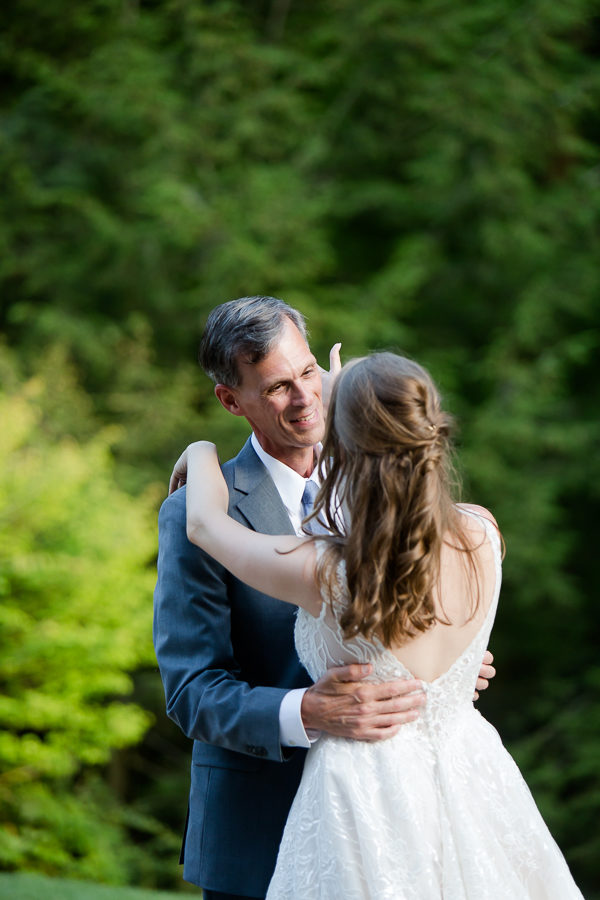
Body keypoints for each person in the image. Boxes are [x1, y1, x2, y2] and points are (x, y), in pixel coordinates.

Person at [172, 351, 583, 899]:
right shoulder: (484, 535)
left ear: (345, 445)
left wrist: (201, 450)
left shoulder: (325, 571)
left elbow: (202, 523)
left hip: (361, 800)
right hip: (473, 787)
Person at [154, 296, 494, 900]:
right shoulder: (197, 510)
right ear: (232, 401)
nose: (305, 397)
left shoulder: (386, 489)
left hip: (405, 824)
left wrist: (439, 671)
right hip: (258, 833)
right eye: (278, 386)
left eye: (309, 372)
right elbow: (191, 691)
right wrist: (307, 710)